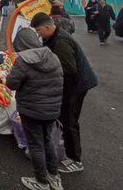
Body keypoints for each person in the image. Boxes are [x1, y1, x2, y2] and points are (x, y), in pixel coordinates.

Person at [30, 12, 98, 174]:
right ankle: (68, 151)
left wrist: (52, 85)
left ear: (47, 27)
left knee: (69, 121)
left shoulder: (61, 42)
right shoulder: (54, 36)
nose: (39, 35)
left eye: (39, 31)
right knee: (65, 119)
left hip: (76, 86)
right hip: (73, 84)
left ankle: (75, 159)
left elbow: (69, 71)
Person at [7, 28, 64, 190]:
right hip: (52, 109)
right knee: (47, 140)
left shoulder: (23, 61)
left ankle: (41, 181)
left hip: (31, 110)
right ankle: (54, 177)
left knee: (35, 144)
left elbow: (11, 84)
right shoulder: (52, 56)